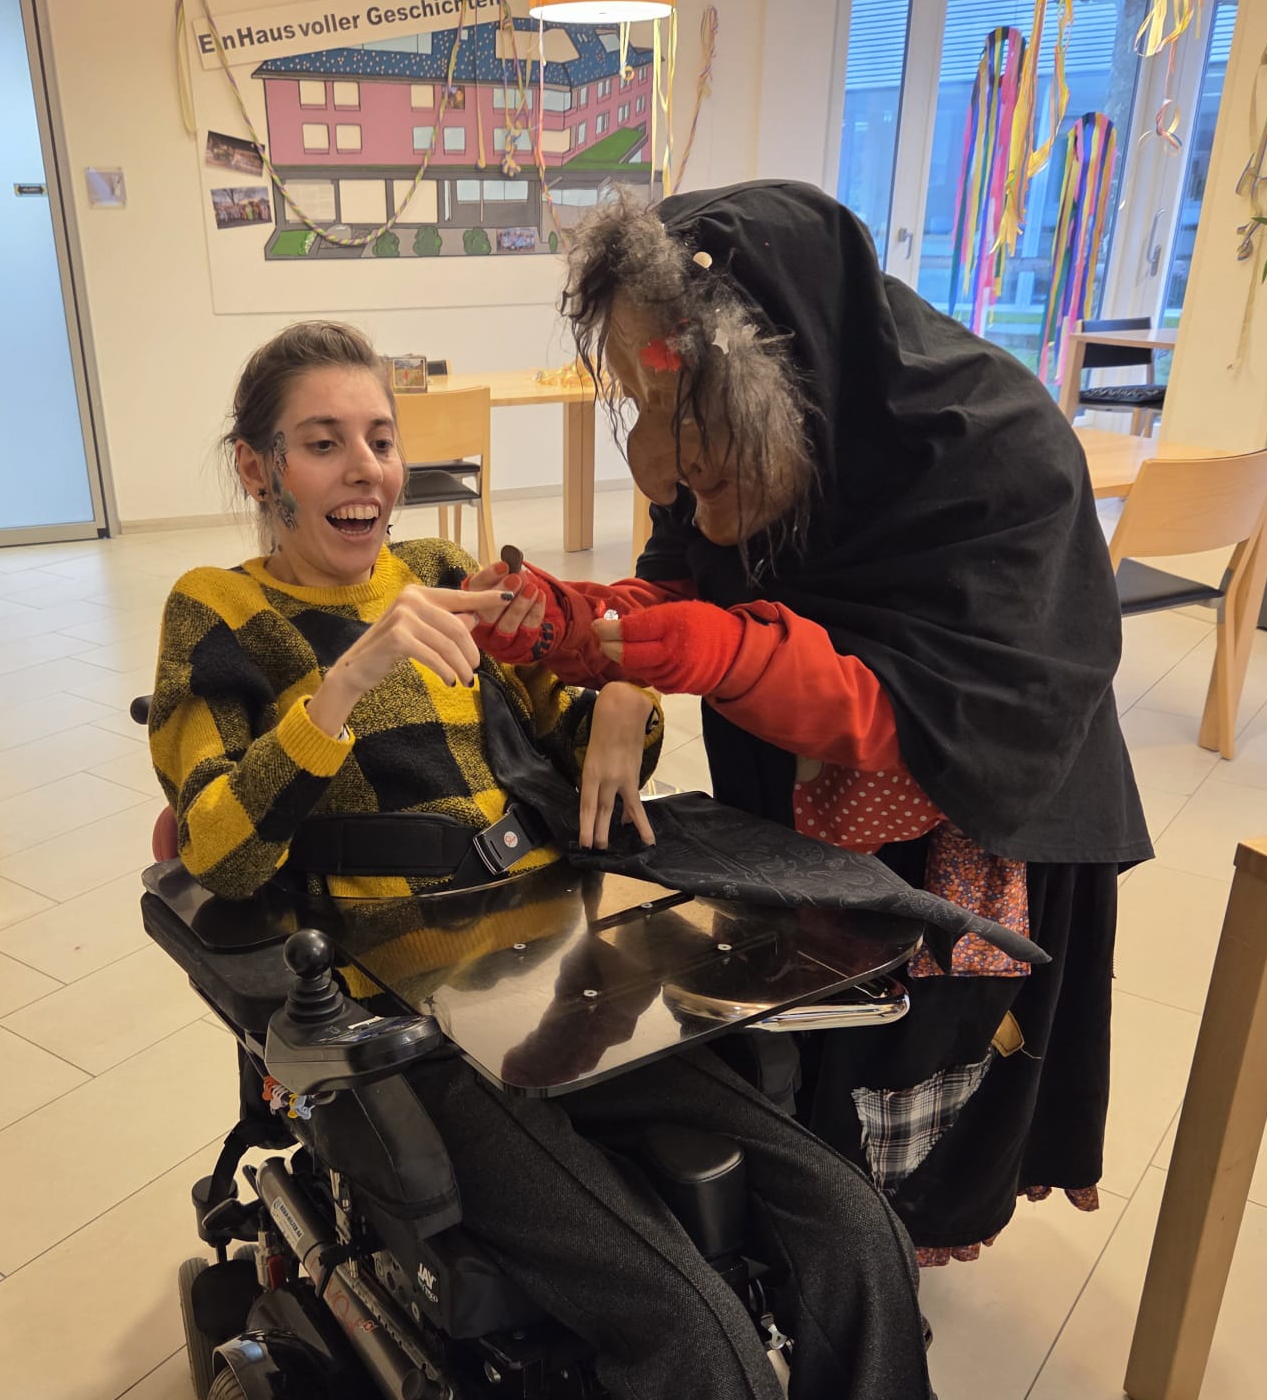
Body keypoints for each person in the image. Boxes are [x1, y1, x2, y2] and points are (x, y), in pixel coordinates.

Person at [149, 318, 1092, 1400]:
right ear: (260, 468)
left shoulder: (450, 573)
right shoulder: (221, 613)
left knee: (849, 1227)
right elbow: (217, 846)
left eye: (379, 437)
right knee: (690, 1323)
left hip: (566, 956)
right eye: (323, 442)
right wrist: (354, 676)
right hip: (416, 1008)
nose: (365, 468)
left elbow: (575, 728)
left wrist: (617, 699)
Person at [467, 181, 1150, 1265]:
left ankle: (897, 1236)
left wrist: (717, 650)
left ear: (779, 372)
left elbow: (920, 712)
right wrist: (570, 623)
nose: (658, 465)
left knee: (925, 1033)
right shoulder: (733, 431)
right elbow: (679, 583)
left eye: (676, 411)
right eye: (639, 404)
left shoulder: (999, 453)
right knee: (811, 1012)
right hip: (813, 791)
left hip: (974, 803)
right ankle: (823, 1216)